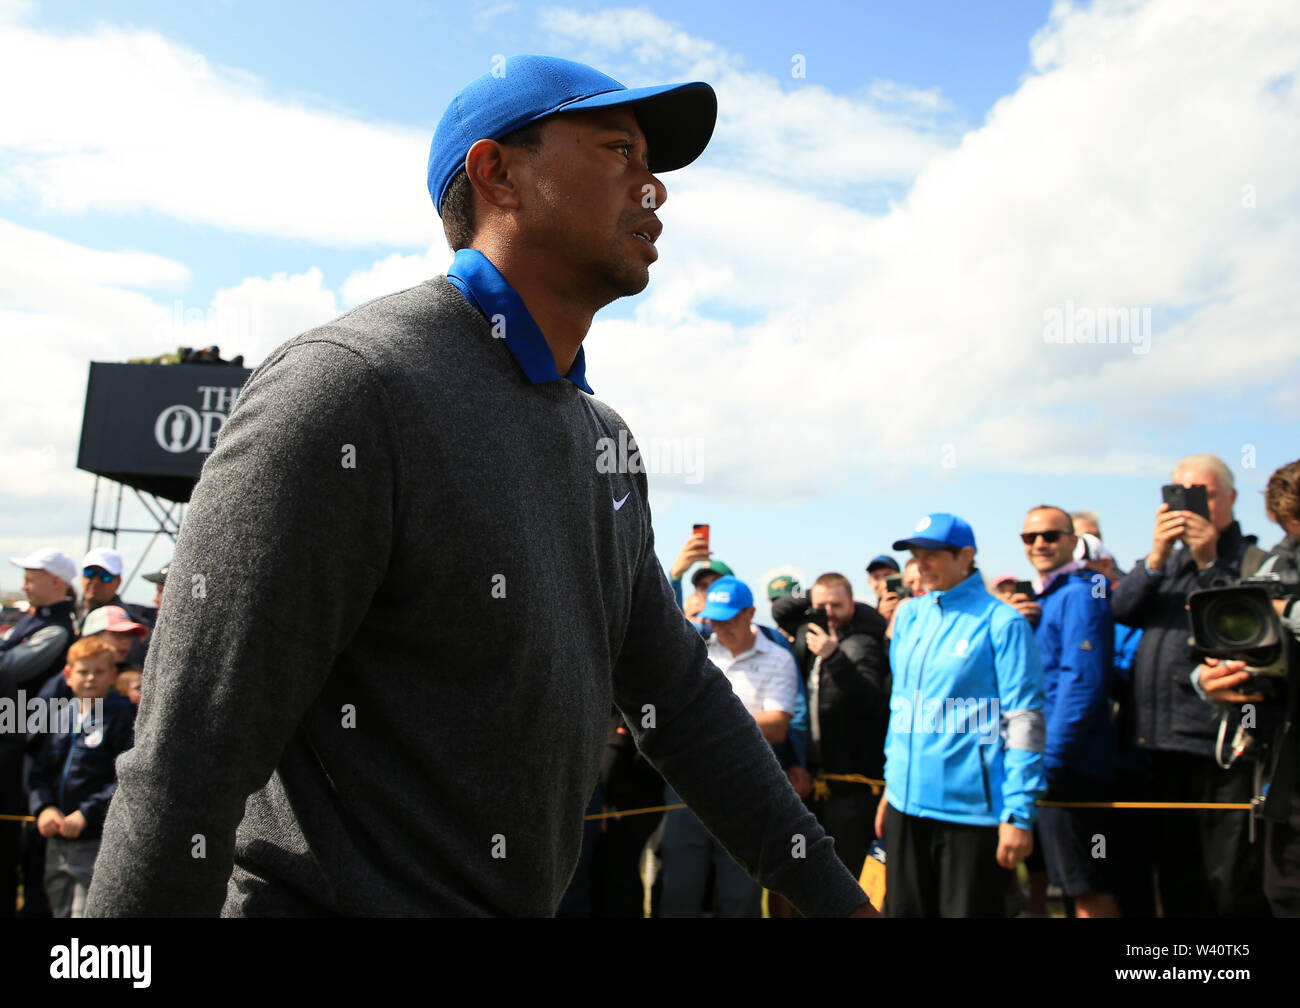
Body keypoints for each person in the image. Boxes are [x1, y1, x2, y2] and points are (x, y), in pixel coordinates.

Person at [86, 55, 873, 918]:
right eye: (619, 150)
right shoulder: (350, 387)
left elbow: (680, 704)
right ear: (496, 171)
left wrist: (838, 899)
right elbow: (190, 751)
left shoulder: (602, 439)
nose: (654, 189)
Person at [1111, 453, 1270, 917]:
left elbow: (1236, 623)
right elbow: (1120, 611)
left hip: (1221, 747)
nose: (1192, 508)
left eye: (1205, 495)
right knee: (1177, 877)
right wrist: (1158, 556)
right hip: (1157, 747)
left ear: (1233, 499)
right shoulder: (1165, 564)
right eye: (1180, 495)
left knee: (1228, 878)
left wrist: (1208, 562)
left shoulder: (1252, 559)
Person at [874, 512, 1046, 917]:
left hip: (970, 815)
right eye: (916, 555)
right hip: (904, 805)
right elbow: (901, 707)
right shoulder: (910, 616)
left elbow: (1025, 721)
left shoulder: (1002, 623)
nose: (921, 564)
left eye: (932, 554)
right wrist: (890, 785)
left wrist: (1019, 813)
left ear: (965, 555)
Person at [658, 576, 798, 916]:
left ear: (751, 613)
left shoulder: (778, 658)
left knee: (740, 892)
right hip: (688, 785)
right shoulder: (697, 652)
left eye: (730, 618)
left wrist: (710, 725)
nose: (721, 627)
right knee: (679, 886)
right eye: (715, 619)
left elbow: (778, 726)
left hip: (747, 786)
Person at [1020, 506, 1119, 917]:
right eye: (1030, 538)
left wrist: (1052, 759)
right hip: (1053, 762)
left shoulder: (1084, 589)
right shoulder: (1050, 595)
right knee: (1070, 883)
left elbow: (1082, 682)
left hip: (1073, 766)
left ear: (1071, 540)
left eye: (1050, 535)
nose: (1040, 544)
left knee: (1087, 889)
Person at [776, 573, 890, 878]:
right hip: (812, 778)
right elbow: (780, 611)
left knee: (845, 874)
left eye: (837, 605)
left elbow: (874, 705)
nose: (829, 613)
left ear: (852, 604)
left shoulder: (863, 642)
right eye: (821, 606)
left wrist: (835, 657)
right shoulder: (808, 640)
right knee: (806, 872)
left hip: (851, 785)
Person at [27, 637, 135, 917]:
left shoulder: (123, 718)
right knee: (60, 907)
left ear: (112, 675)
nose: (90, 679)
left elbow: (125, 779)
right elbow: (39, 775)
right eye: (83, 672)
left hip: (95, 840)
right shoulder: (61, 717)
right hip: (57, 839)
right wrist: (44, 808)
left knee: (87, 910)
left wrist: (87, 813)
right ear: (68, 675)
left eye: (99, 672)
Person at [1, 548, 79, 917]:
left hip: (26, 745)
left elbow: (10, 668)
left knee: (22, 840)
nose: (24, 585)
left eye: (31, 578)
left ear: (55, 582)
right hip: (12, 739)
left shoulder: (56, 628)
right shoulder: (32, 621)